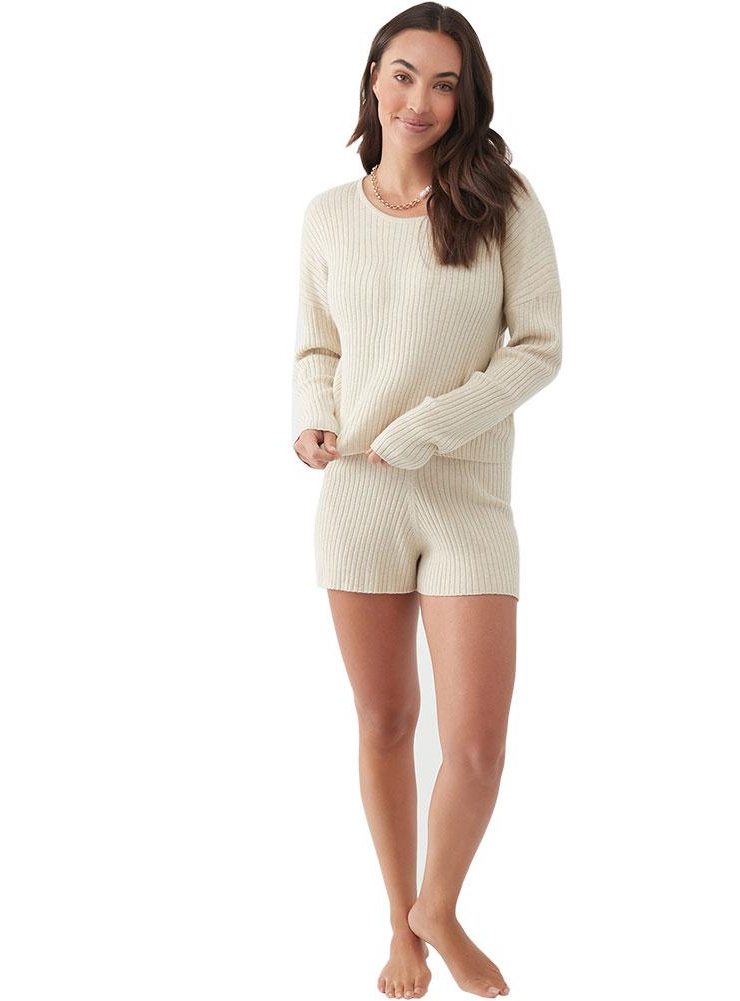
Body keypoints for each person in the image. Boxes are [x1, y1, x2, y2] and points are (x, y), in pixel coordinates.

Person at [291, 5, 562, 998]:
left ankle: (437, 906)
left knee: (476, 743)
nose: (419, 101)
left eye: (444, 84)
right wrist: (311, 419)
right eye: (403, 75)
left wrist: (430, 427)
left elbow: (538, 348)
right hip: (359, 494)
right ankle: (397, 925)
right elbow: (315, 347)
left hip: (465, 498)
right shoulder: (328, 214)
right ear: (373, 77)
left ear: (465, 97)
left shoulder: (501, 201)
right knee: (385, 720)